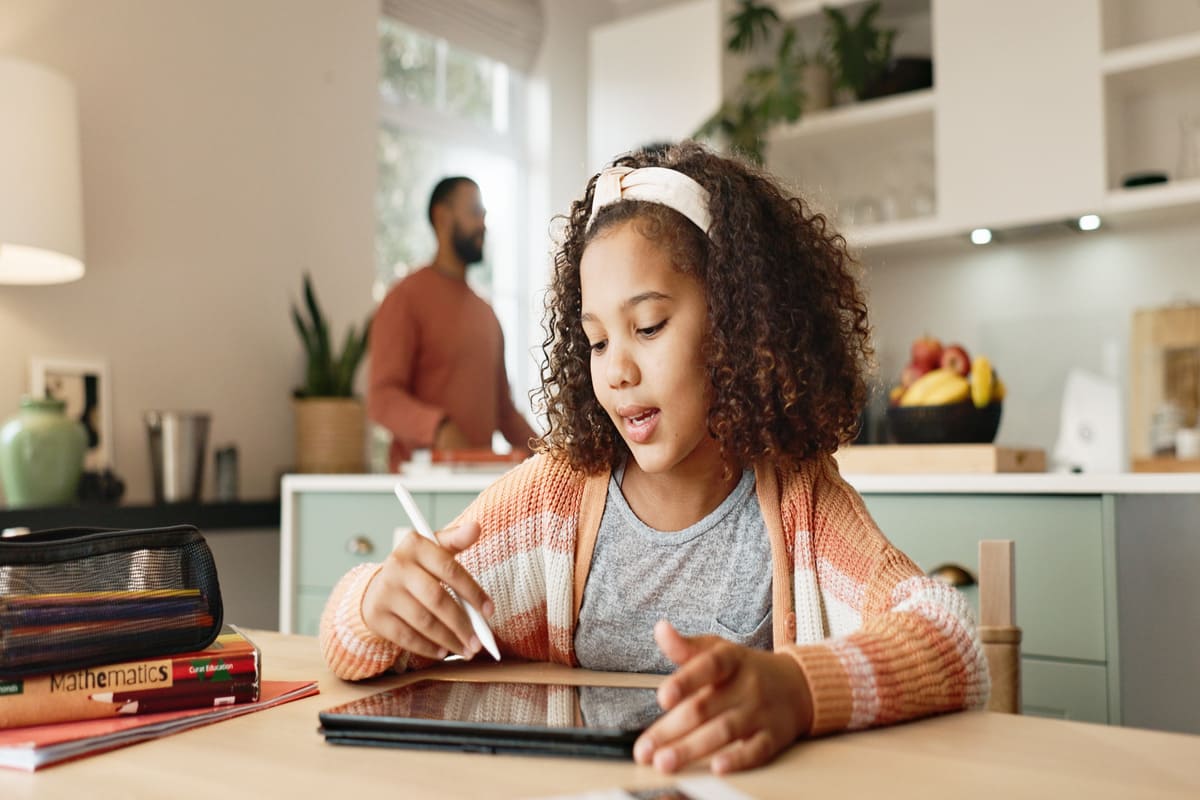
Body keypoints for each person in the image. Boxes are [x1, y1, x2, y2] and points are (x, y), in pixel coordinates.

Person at [321, 143, 989, 774]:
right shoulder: (553, 502)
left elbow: (952, 641)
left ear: (738, 327)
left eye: (648, 327)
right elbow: (346, 636)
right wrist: (378, 604)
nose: (616, 371)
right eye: (597, 341)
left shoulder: (798, 506)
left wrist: (795, 691)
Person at [368, 176, 537, 471]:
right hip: (420, 483)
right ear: (442, 218)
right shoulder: (405, 298)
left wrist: (552, 454)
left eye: (484, 215)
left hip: (477, 485)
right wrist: (437, 427)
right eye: (474, 213)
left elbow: (504, 413)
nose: (483, 224)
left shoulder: (487, 314)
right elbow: (381, 399)